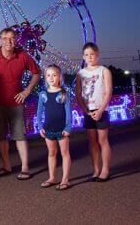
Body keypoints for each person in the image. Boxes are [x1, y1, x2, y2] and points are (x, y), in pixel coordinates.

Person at [0, 27, 41, 180]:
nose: (8, 41)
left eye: (12, 38)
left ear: (16, 40)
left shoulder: (23, 56)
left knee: (20, 136)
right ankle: (6, 166)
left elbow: (36, 73)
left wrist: (27, 91)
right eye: (5, 38)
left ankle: (25, 168)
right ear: (0, 40)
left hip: (16, 103)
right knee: (0, 137)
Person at [76, 42, 113, 182]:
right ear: (83, 57)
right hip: (88, 111)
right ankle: (96, 169)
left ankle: (105, 170)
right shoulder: (81, 73)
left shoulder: (104, 71)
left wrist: (101, 109)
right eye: (86, 55)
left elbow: (109, 92)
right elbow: (78, 94)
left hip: (101, 109)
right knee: (92, 142)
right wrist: (85, 110)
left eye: (92, 54)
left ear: (98, 55)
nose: (89, 57)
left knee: (103, 140)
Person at [36, 65, 72, 191]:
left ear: (60, 77)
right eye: (48, 75)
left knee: (65, 153)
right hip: (48, 129)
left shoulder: (63, 94)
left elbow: (69, 112)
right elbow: (39, 112)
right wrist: (40, 126)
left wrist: (68, 127)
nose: (51, 78)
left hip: (62, 129)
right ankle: (52, 178)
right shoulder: (42, 94)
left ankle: (65, 179)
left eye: (54, 75)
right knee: (51, 154)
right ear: (45, 78)